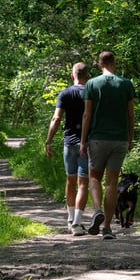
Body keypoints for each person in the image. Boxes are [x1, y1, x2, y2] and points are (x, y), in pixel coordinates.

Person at [80, 51, 136, 240]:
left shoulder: (92, 84)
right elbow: (130, 115)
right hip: (120, 138)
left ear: (99, 64)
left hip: (97, 138)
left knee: (94, 178)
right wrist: (130, 138)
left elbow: (87, 114)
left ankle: (97, 211)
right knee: (112, 183)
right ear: (114, 63)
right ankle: (107, 229)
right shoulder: (126, 84)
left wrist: (82, 140)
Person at [45, 62, 90, 236]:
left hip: (69, 143)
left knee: (70, 181)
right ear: (87, 76)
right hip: (86, 144)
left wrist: (48, 141)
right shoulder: (91, 93)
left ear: (73, 76)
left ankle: (70, 219)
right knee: (83, 183)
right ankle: (77, 224)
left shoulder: (64, 93)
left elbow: (56, 119)